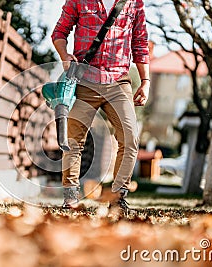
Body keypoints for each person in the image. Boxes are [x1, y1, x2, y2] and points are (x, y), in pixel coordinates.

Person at [51, 0, 150, 210]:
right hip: (85, 79)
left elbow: (140, 43)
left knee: (130, 137)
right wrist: (65, 56)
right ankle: (70, 197)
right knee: (73, 140)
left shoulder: (134, 3)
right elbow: (59, 33)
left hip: (118, 81)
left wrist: (145, 81)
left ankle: (117, 198)